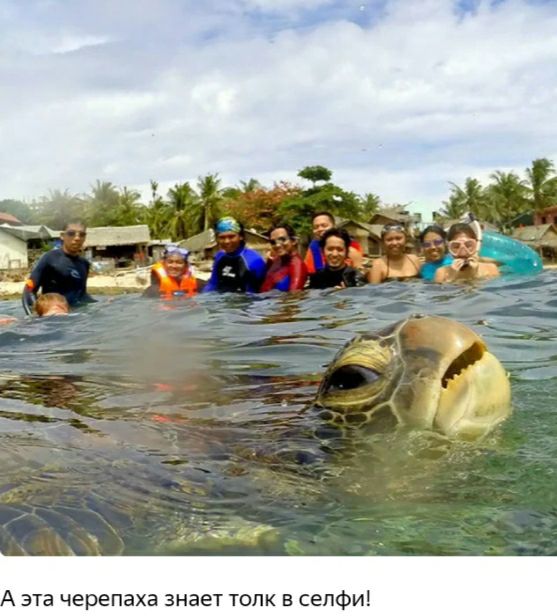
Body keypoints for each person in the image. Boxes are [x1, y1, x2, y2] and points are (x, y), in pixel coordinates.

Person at [22, 220, 95, 314]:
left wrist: (101, 304)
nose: (77, 238)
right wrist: (33, 318)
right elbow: (28, 291)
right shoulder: (49, 258)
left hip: (76, 317)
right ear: (62, 236)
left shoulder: (84, 264)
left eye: (82, 234)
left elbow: (81, 294)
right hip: (54, 318)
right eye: (71, 233)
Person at [203, 217, 266, 293]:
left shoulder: (254, 260)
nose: (226, 241)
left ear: (241, 237)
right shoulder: (219, 257)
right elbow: (213, 284)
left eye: (231, 236)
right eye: (222, 237)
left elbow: (264, 290)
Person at [434, 223, 500, 283]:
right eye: (456, 246)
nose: (463, 253)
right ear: (449, 248)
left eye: (468, 245)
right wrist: (452, 277)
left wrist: (475, 274)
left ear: (476, 246)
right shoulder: (441, 273)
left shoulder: (491, 269)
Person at [260, 224, 307, 292]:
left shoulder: (297, 265)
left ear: (293, 241)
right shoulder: (275, 261)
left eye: (282, 239)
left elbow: (294, 297)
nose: (277, 245)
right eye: (273, 242)